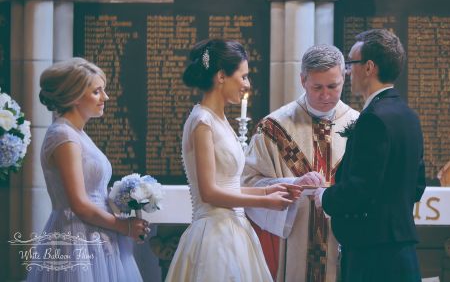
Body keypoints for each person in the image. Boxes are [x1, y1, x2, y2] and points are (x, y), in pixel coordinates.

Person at [166, 39, 300, 281]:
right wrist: (265, 202)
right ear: (221, 76)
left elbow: (227, 184)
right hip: (214, 235)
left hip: (234, 229)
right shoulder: (202, 122)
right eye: (244, 76)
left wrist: (268, 190)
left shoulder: (220, 120)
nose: (247, 84)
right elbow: (209, 193)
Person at [242, 44, 359, 282]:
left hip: (345, 241)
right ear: (302, 80)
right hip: (293, 241)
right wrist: (291, 183)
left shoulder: (360, 125)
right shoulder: (274, 128)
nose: (325, 95)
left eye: (332, 86)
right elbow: (247, 183)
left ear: (344, 79)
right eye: (317, 87)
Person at [318, 29, 426, 282]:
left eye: (351, 63)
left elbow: (361, 188)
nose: (347, 71)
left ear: (369, 67)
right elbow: (418, 185)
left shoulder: (373, 119)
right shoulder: (407, 115)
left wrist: (324, 196)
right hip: (401, 248)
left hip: (374, 253)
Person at [30, 57, 146, 281]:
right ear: (74, 96)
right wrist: (123, 227)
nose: (106, 97)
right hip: (78, 236)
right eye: (97, 92)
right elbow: (79, 205)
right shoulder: (63, 135)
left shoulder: (77, 134)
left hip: (97, 232)